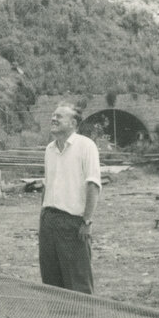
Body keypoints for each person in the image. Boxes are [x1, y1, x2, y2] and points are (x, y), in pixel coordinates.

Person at [39, 104, 102, 294]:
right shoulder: (49, 150)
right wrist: (42, 218)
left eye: (59, 116)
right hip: (49, 222)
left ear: (73, 123)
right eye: (53, 115)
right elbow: (47, 185)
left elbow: (93, 184)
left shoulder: (86, 146)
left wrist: (87, 221)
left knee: (78, 283)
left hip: (73, 224)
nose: (54, 119)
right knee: (51, 283)